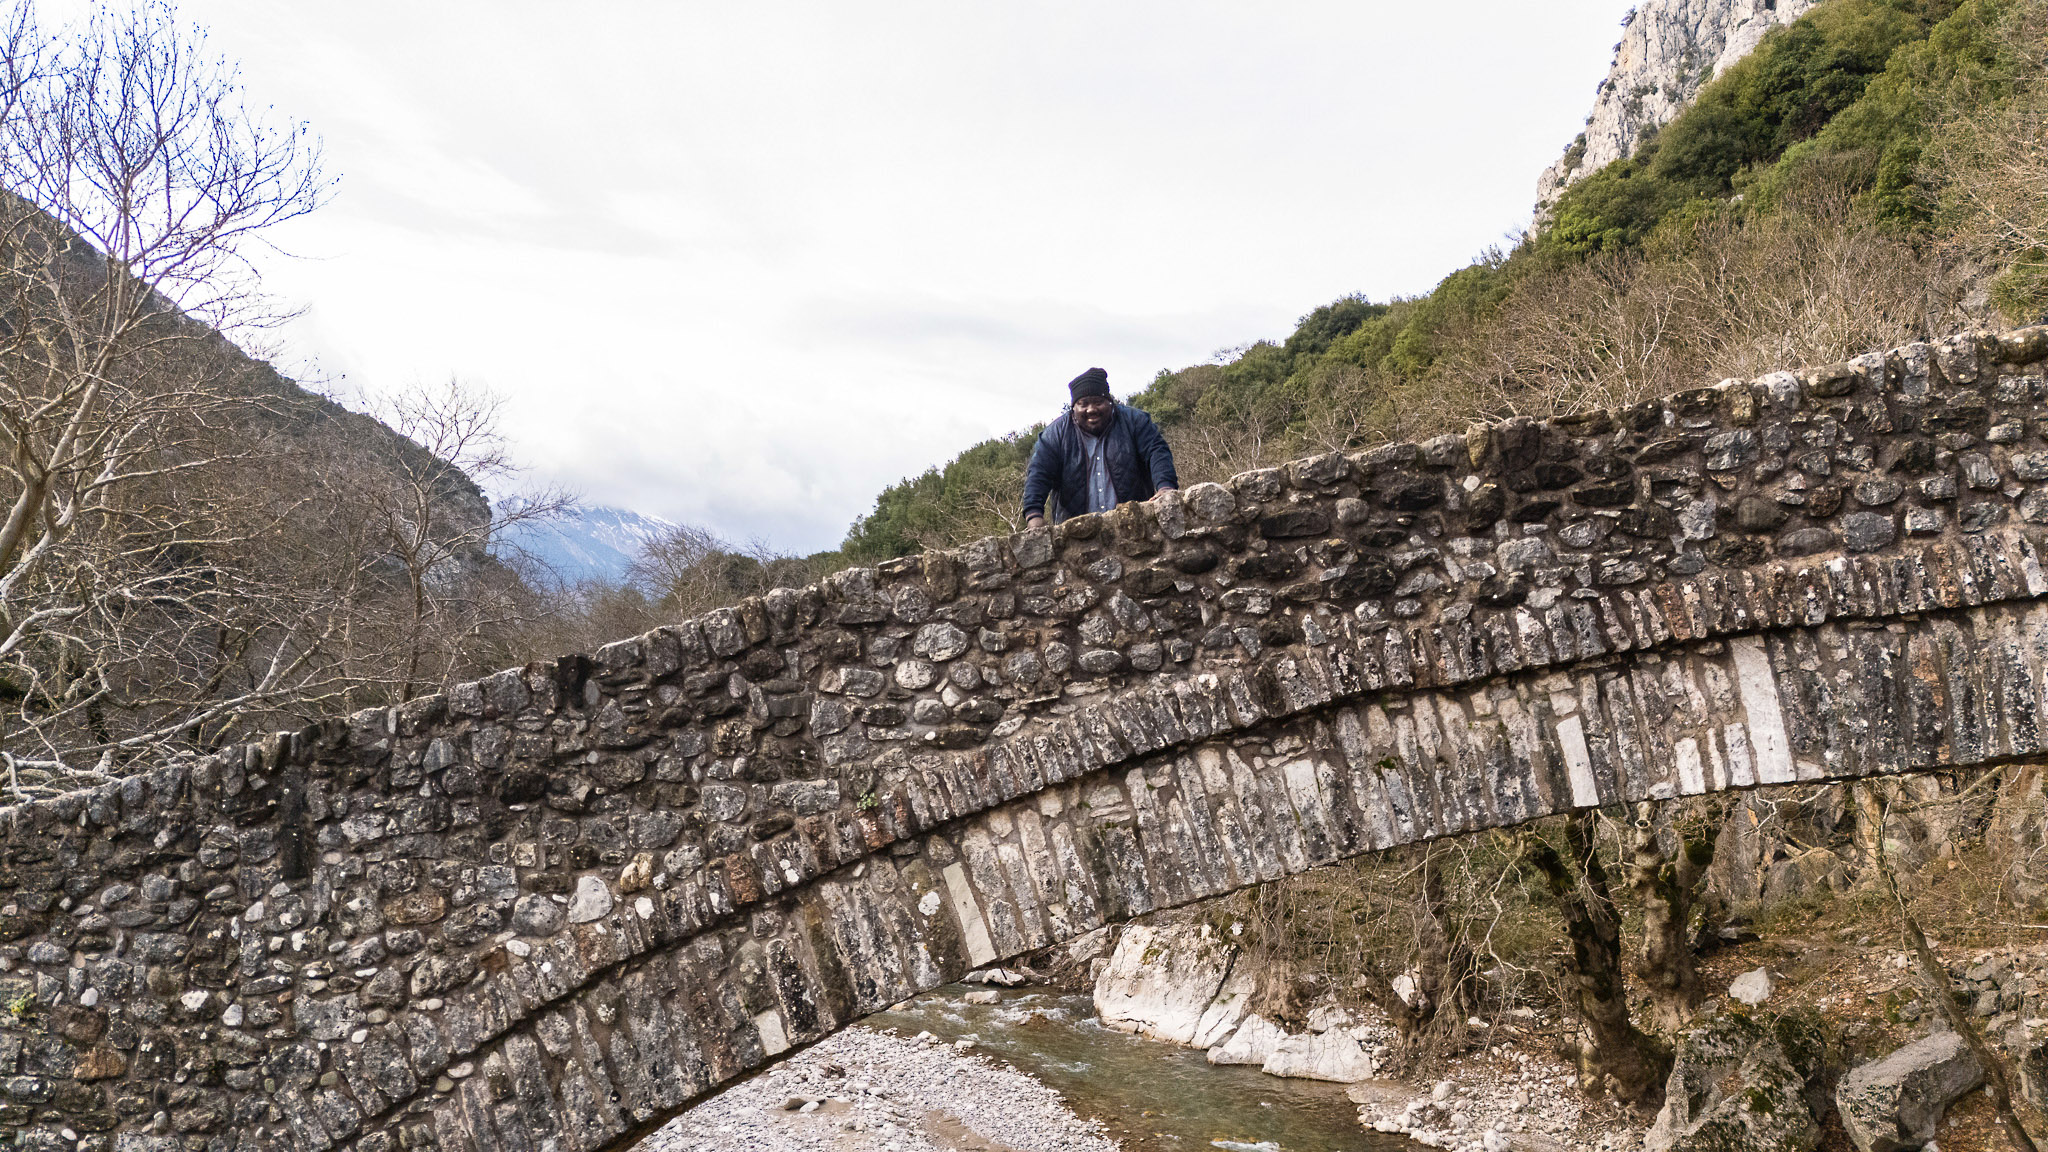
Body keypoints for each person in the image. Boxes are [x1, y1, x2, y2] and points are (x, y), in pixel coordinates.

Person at [1021, 367, 1178, 529]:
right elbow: (1039, 473)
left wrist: (1165, 487)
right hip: (1077, 535)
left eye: (1098, 402)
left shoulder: (1135, 422)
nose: (1091, 409)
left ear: (1110, 402)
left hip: (1134, 528)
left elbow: (1157, 452)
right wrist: (1034, 515)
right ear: (1073, 408)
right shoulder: (1055, 434)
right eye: (1083, 404)